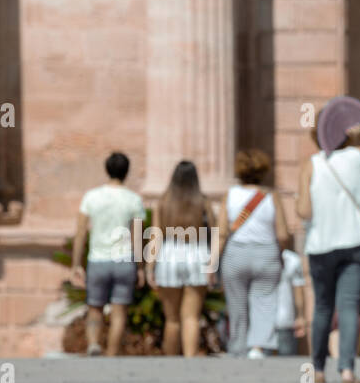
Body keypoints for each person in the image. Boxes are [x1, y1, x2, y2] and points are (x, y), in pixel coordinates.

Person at [296, 95, 360, 383]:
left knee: (323, 307)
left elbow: (303, 211)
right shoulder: (358, 157)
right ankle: (347, 371)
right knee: (350, 306)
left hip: (322, 245)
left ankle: (318, 369)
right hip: (356, 244)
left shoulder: (311, 165)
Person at [216, 149, 292, 359]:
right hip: (266, 252)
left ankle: (238, 346)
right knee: (265, 301)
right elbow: (283, 234)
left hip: (236, 253)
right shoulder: (272, 196)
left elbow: (222, 233)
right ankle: (258, 347)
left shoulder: (229, 195)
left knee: (236, 303)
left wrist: (212, 261)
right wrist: (282, 252)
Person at [71, 152, 145, 356]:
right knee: (119, 311)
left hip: (98, 259)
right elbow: (138, 236)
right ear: (127, 172)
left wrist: (76, 264)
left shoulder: (91, 197)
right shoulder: (134, 200)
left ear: (107, 170)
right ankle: (111, 354)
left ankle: (94, 343)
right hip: (123, 261)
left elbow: (80, 233)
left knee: (94, 307)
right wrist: (140, 267)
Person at [148, 161, 215, 357]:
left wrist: (149, 267)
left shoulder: (164, 202)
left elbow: (156, 235)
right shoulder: (203, 202)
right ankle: (190, 360)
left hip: (169, 255)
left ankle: (170, 363)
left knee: (172, 319)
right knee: (191, 317)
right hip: (197, 253)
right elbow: (213, 231)